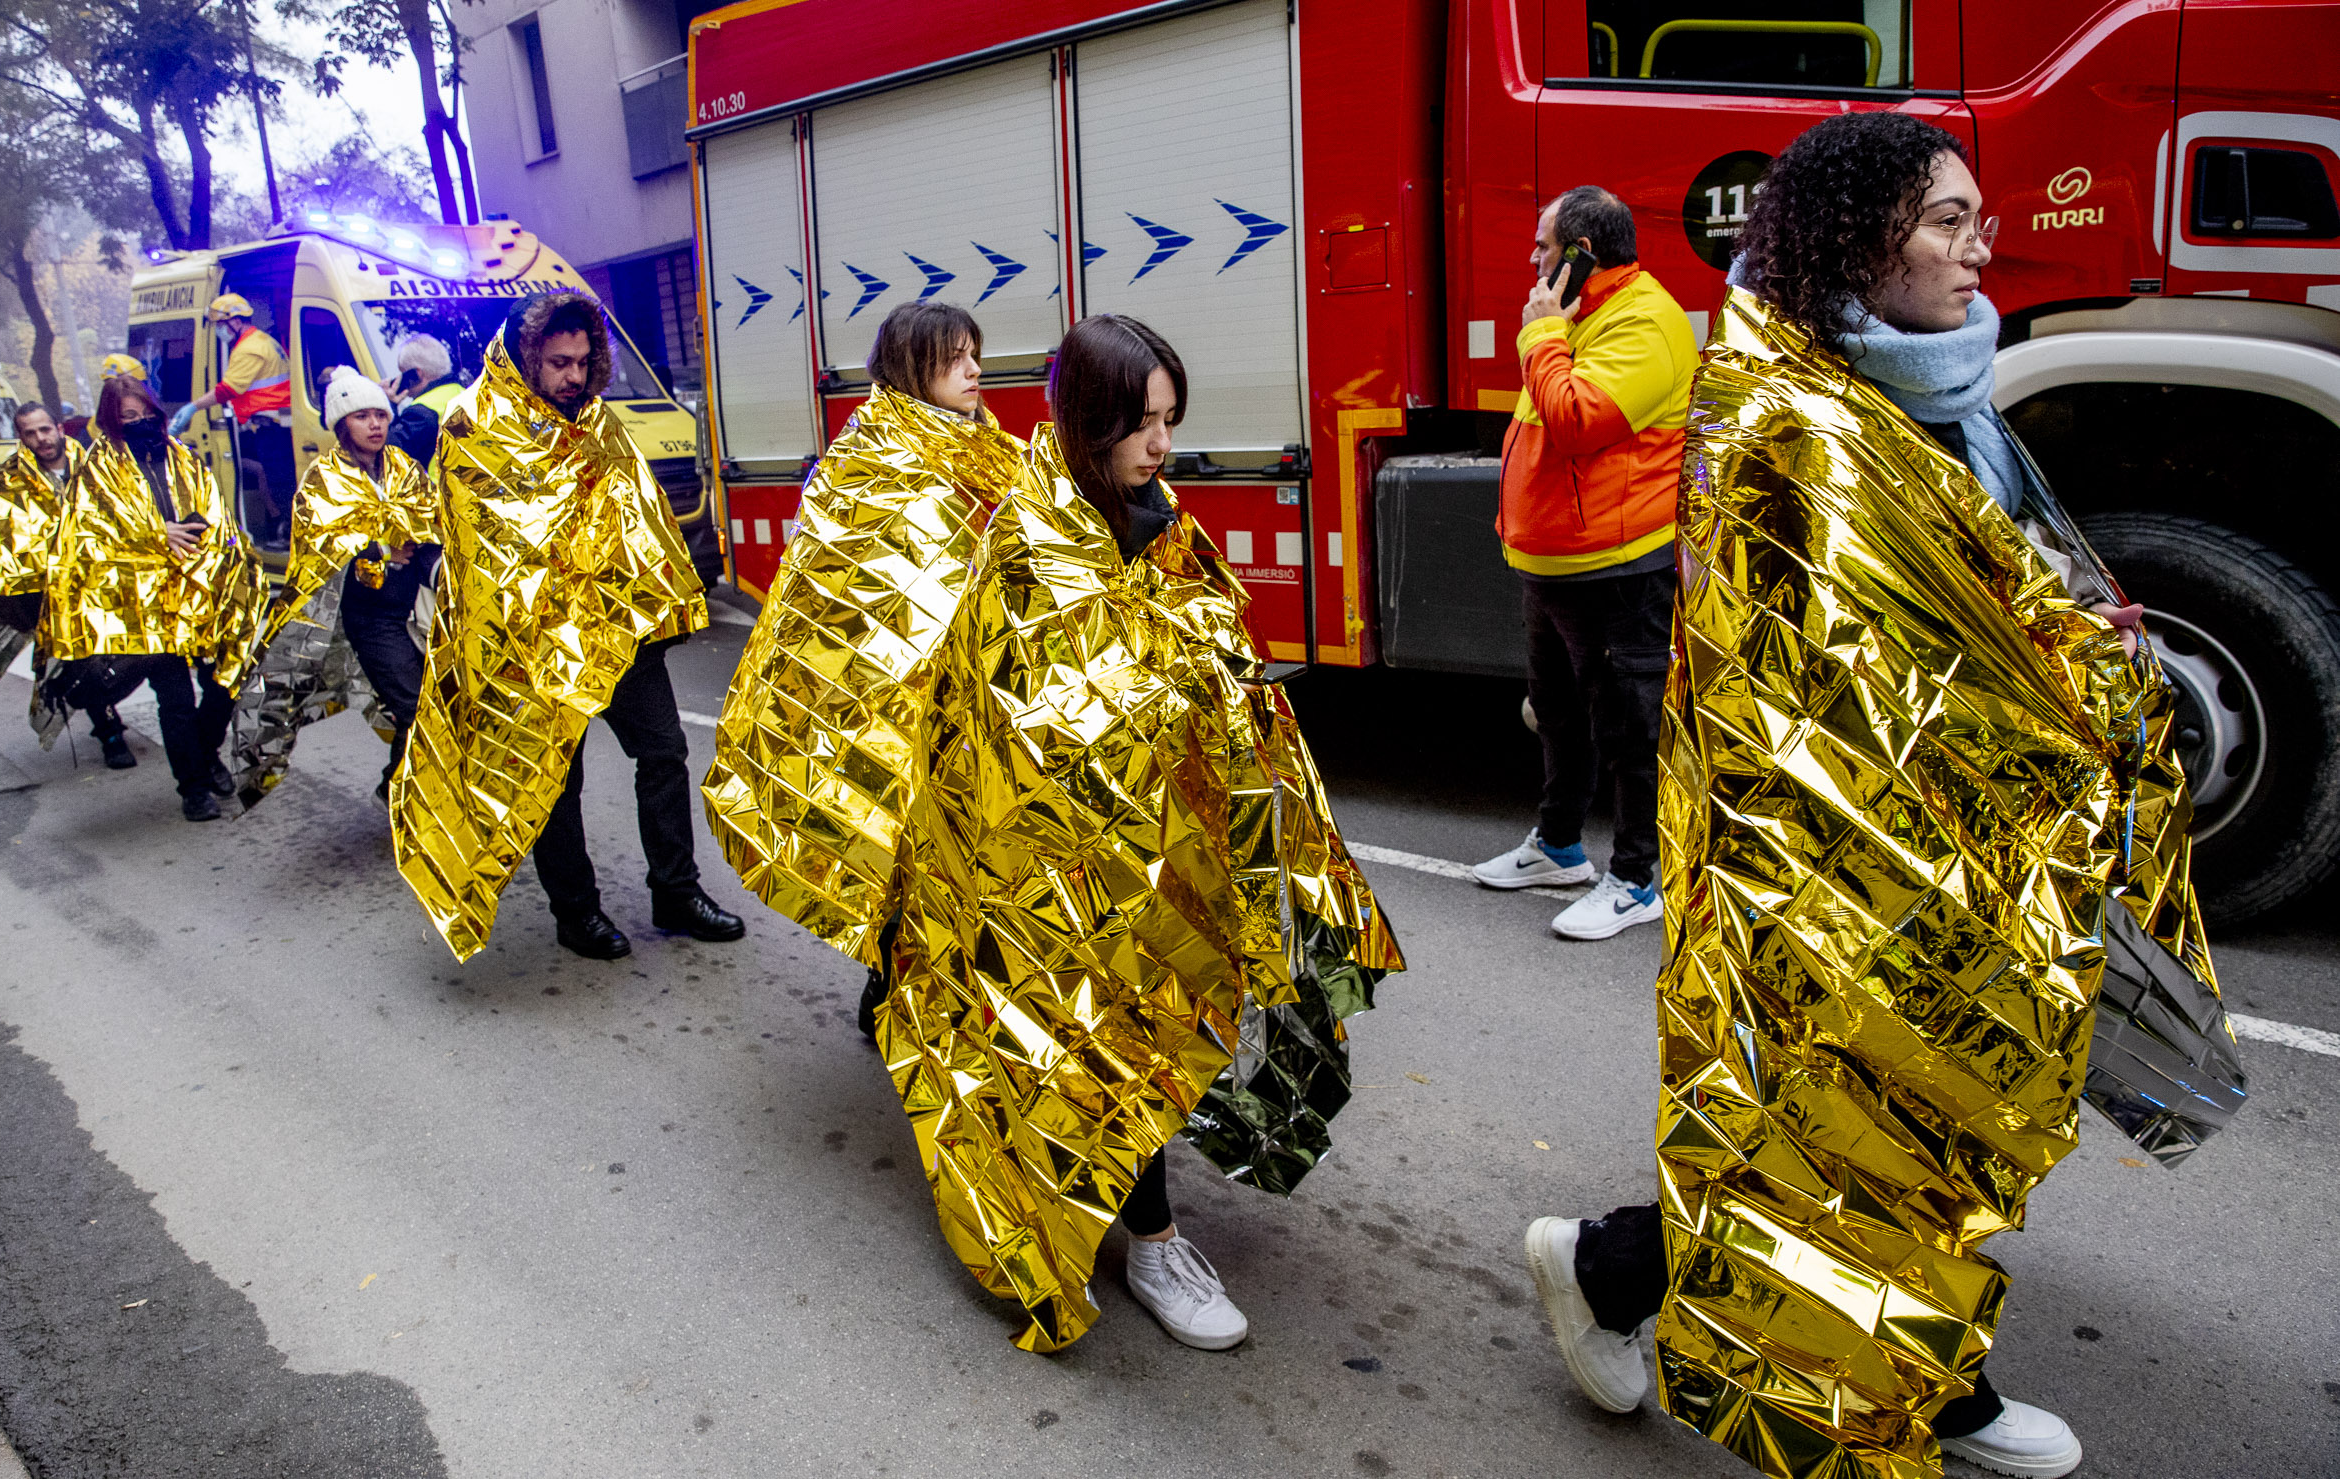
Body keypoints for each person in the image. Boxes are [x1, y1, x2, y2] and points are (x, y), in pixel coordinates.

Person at [1523, 112, 2241, 1479]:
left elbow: (2003, 594)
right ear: (1858, 243)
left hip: (1985, 844)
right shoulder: (1795, 425)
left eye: (1978, 217)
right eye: (1945, 222)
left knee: (1926, 1119)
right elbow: (1798, 687)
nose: (1980, 248)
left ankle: (1659, 1281)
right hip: (1852, 856)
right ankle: (1744, 1321)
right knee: (1851, 1123)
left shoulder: (1941, 390)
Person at [880, 315, 1403, 1354]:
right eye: (1139, 422)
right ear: (1087, 421)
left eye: (1169, 419)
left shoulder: (1154, 512)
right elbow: (1030, 713)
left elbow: (1212, 660)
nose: (1161, 442)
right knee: (1114, 1034)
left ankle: (1137, 1210)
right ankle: (1153, 1240)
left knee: (1185, 1020)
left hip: (1171, 834)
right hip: (1056, 862)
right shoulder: (1031, 540)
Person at [391, 290, 743, 961]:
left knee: (664, 753)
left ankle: (676, 890)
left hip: (618, 631)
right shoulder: (474, 423)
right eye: (558, 361)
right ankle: (575, 911)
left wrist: (655, 602)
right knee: (553, 777)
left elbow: (637, 512)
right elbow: (485, 546)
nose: (573, 376)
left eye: (582, 361)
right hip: (536, 645)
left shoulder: (598, 420)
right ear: (526, 356)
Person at [703, 300, 1017, 1033]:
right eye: (953, 358)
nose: (974, 370)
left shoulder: (985, 443)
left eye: (975, 352)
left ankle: (944, 999)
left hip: (980, 696)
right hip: (894, 701)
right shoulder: (867, 460)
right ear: (912, 367)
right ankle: (890, 989)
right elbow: (839, 594)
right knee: (902, 852)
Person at [1469, 186, 1696, 941]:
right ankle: (1557, 847)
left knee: (1628, 726)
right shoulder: (1584, 317)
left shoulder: (1645, 320)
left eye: (1542, 248)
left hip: (1617, 568)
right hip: (1556, 564)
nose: (1531, 262)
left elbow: (1574, 421)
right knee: (1558, 715)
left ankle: (1635, 879)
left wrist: (1539, 339)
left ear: (1578, 254)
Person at [45, 376, 263, 821]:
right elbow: (84, 537)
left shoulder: (183, 457)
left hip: (202, 593)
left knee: (225, 684)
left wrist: (208, 537)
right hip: (146, 606)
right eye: (128, 416)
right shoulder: (97, 469)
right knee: (176, 699)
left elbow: (216, 509)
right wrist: (153, 535)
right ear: (112, 420)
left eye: (146, 413)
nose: (141, 422)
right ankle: (194, 787)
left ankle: (205, 752)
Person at [229, 368, 439, 808]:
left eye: (380, 415)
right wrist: (377, 550)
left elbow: (432, 518)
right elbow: (319, 547)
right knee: (416, 707)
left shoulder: (404, 468)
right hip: (368, 616)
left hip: (419, 606)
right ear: (343, 425)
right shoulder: (322, 479)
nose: (376, 425)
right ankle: (400, 794)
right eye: (362, 417)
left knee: (438, 706)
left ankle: (398, 786)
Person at [0, 402, 132, 765]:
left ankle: (90, 705)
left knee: (124, 659)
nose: (40, 439)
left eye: (45, 429)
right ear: (21, 437)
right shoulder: (8, 483)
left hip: (107, 582)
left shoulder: (96, 467)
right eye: (30, 433)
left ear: (59, 428)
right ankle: (110, 732)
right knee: (82, 658)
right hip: (54, 593)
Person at [189, 293, 293, 539]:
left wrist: (193, 407)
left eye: (220, 325)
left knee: (281, 485)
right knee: (275, 478)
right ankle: (284, 527)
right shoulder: (264, 341)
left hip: (272, 427)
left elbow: (228, 389)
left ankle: (288, 532)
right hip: (278, 423)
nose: (219, 331)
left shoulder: (249, 349)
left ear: (234, 322)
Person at [385, 333, 460, 467]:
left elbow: (391, 456)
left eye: (403, 374)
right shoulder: (460, 392)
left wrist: (386, 407)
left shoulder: (421, 412)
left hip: (442, 486)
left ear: (416, 374)